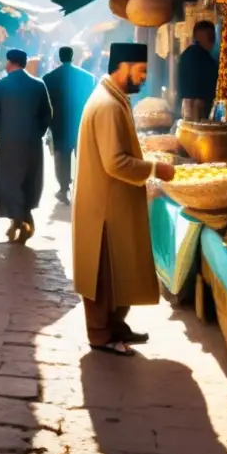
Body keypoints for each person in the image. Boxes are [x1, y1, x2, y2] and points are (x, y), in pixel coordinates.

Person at [72, 43, 176, 357]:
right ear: (124, 66)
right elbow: (115, 162)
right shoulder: (107, 105)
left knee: (119, 270)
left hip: (113, 203)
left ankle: (117, 327)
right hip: (104, 207)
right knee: (103, 275)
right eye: (141, 71)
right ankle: (102, 336)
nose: (143, 78)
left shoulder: (114, 99)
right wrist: (156, 168)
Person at [0, 49, 52, 244]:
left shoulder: (0, 86)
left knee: (10, 182)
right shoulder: (38, 85)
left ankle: (20, 220)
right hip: (32, 143)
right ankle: (22, 218)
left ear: (9, 63)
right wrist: (37, 133)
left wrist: (3, 131)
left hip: (8, 143)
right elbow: (47, 115)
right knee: (28, 181)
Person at [43, 46, 96, 204]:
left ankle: (63, 189)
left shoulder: (48, 78)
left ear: (59, 58)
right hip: (81, 122)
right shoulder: (88, 77)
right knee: (82, 156)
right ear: (73, 57)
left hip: (59, 124)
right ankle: (83, 189)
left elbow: (45, 104)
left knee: (62, 157)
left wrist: (47, 124)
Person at [178, 20, 218, 120]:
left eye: (212, 36)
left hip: (187, 104)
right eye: (209, 36)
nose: (212, 41)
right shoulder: (201, 56)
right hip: (198, 104)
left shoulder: (187, 54)